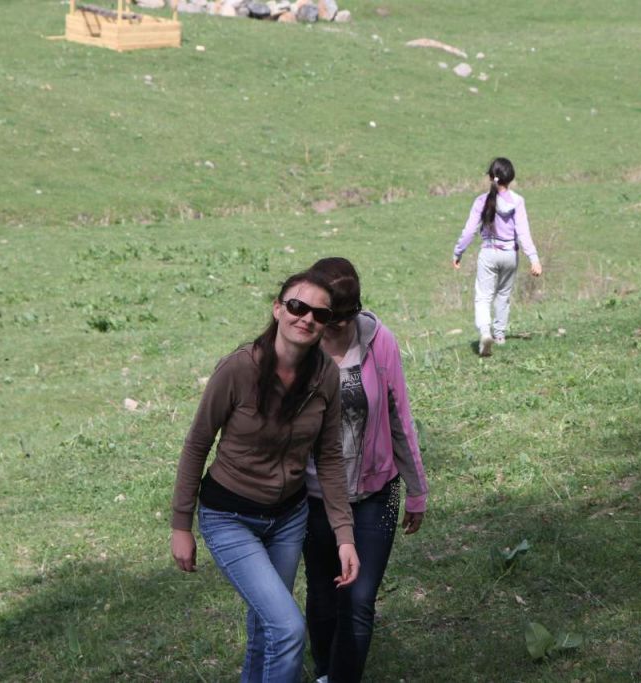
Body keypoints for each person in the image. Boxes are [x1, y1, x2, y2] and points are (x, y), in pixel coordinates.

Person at [171, 270, 360, 683]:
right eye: (297, 306)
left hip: (288, 519)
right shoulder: (238, 369)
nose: (306, 318)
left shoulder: (326, 375)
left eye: (319, 314)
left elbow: (329, 456)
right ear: (278, 309)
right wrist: (181, 525)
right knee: (287, 628)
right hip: (230, 517)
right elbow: (197, 443)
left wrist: (344, 536)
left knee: (267, 628)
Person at [302, 257, 429, 683]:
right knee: (323, 596)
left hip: (376, 494)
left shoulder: (379, 341)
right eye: (327, 317)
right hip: (315, 498)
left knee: (358, 601)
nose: (334, 327)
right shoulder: (299, 342)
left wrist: (417, 489)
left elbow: (399, 417)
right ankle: (325, 672)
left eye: (343, 317)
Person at [452, 157, 543, 357]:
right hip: (510, 254)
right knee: (503, 295)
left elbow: (469, 231)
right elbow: (523, 232)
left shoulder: (481, 201)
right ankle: (500, 335)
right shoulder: (518, 202)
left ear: (490, 177)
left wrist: (458, 252)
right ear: (510, 178)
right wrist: (534, 259)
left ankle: (485, 333)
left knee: (483, 297)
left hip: (489, 252)